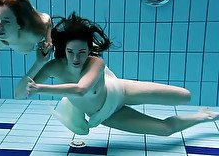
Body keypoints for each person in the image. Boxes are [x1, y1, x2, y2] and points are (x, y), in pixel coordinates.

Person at [16, 12, 219, 136]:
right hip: (106, 114)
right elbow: (18, 94)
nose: (76, 58)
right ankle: (202, 117)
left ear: (89, 50)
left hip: (120, 90)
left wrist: (41, 88)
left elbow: (81, 89)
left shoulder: (96, 63)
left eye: (82, 52)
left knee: (185, 96)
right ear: (63, 51)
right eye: (70, 52)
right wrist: (39, 63)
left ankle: (199, 111)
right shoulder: (53, 67)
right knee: (165, 130)